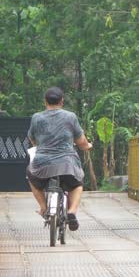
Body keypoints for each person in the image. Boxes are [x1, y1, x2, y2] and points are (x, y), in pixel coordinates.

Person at [27, 87, 93, 231]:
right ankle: (72, 212)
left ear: (45, 102)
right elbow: (81, 141)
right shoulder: (70, 117)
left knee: (30, 176)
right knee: (77, 184)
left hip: (42, 163)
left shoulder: (36, 117)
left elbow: (32, 139)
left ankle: (44, 207)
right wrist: (87, 146)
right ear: (62, 101)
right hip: (67, 163)